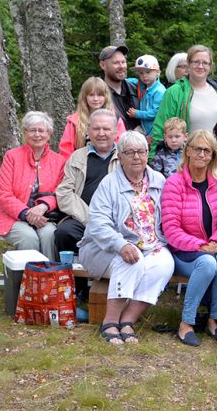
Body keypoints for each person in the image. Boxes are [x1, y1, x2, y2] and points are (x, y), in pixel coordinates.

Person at [78, 131, 174, 345]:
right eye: (129, 152)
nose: (136, 157)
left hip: (151, 244)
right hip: (104, 249)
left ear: (148, 154)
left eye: (141, 152)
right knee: (132, 261)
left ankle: (128, 320)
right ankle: (110, 322)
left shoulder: (158, 180)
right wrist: (120, 244)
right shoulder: (109, 184)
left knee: (165, 264)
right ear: (119, 157)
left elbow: (168, 216)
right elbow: (98, 223)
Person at [161, 130, 217, 347]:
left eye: (207, 150)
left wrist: (215, 242)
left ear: (213, 156)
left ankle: (214, 319)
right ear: (188, 151)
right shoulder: (174, 183)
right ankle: (186, 323)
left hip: (211, 244)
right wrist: (201, 246)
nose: (202, 154)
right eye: (198, 149)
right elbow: (171, 229)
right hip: (183, 250)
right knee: (208, 263)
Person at [55, 109, 121, 300]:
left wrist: (104, 222)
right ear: (88, 132)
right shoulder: (77, 157)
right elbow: (64, 193)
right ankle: (76, 289)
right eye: (96, 129)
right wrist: (90, 218)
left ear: (116, 132)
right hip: (82, 217)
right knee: (63, 233)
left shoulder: (125, 158)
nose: (101, 133)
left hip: (114, 220)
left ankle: (116, 288)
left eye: (106, 129)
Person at [0, 112, 65, 261]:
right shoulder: (12, 156)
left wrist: (42, 207)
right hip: (10, 216)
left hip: (44, 216)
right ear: (25, 133)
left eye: (41, 130)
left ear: (49, 133)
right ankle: (26, 283)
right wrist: (26, 213)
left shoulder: (59, 161)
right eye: (32, 130)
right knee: (28, 238)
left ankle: (49, 279)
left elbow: (59, 192)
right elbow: (3, 192)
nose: (37, 134)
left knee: (49, 235)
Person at [150, 44, 217, 158]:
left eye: (205, 63)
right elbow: (160, 128)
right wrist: (155, 160)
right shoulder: (175, 92)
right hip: (188, 161)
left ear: (210, 66)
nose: (200, 66)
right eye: (196, 62)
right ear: (188, 64)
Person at [59, 77, 126, 160]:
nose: (95, 99)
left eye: (99, 95)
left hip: (111, 164)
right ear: (85, 96)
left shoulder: (116, 118)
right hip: (81, 166)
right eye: (91, 95)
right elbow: (66, 150)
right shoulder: (74, 121)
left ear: (106, 96)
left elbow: (122, 145)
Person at [126, 54, 166, 139]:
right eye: (141, 73)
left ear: (157, 72)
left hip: (155, 130)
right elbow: (134, 81)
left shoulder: (159, 91)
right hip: (145, 128)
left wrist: (137, 114)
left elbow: (156, 112)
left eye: (148, 72)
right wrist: (121, 79)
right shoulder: (143, 85)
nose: (144, 76)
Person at [99, 45, 139, 130]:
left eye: (123, 62)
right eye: (116, 63)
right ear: (103, 65)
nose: (121, 66)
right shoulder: (96, 94)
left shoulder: (136, 89)